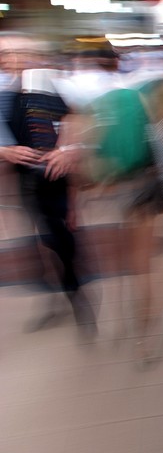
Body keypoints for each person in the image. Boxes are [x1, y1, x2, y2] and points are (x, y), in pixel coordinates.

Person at [0, 37, 96, 338]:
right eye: (7, 54)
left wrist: (69, 149)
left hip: (55, 176)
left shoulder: (54, 87)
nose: (13, 59)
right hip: (26, 181)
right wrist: (5, 151)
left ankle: (77, 297)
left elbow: (81, 122)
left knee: (62, 239)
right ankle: (56, 299)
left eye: (20, 53)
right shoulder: (5, 93)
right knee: (39, 243)